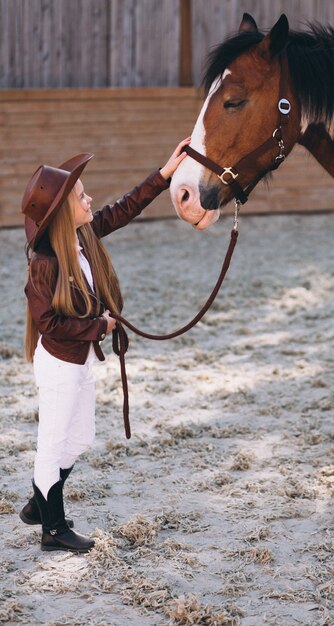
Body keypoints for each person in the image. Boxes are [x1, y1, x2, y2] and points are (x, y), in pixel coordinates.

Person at [19, 138, 190, 553]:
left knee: (79, 440)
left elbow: (125, 208)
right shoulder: (45, 262)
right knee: (53, 445)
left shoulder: (84, 237)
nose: (90, 198)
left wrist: (164, 176)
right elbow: (47, 323)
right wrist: (98, 326)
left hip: (78, 363)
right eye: (80, 196)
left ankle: (40, 504)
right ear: (63, 210)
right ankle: (53, 529)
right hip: (59, 365)